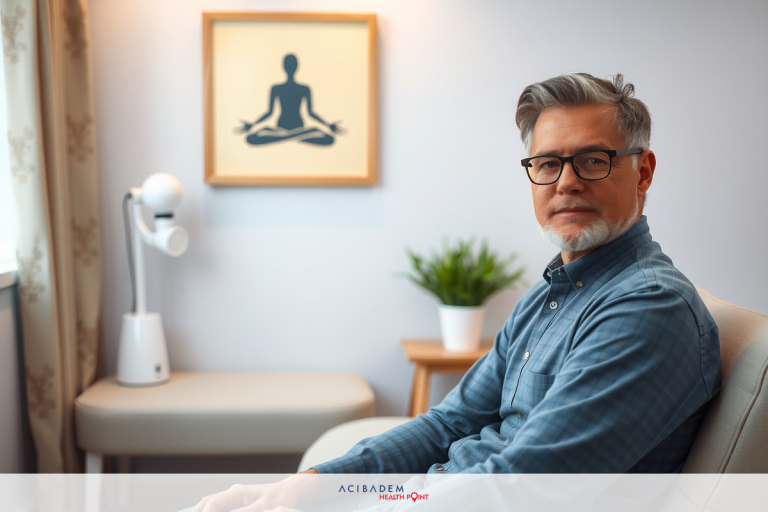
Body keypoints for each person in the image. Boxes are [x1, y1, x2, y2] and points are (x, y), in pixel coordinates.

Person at [193, 72, 721, 511]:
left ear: (643, 171)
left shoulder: (648, 308)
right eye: (547, 163)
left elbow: (521, 488)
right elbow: (452, 420)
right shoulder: (551, 294)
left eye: (592, 159)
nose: (566, 182)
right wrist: (316, 483)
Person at [235, 53, 346, 146]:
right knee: (321, 135)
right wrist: (253, 124)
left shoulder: (304, 88)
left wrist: (328, 125)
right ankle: (296, 137)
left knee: (255, 136)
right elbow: (269, 112)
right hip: (285, 128)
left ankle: (283, 137)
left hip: (294, 128)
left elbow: (310, 113)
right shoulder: (276, 88)